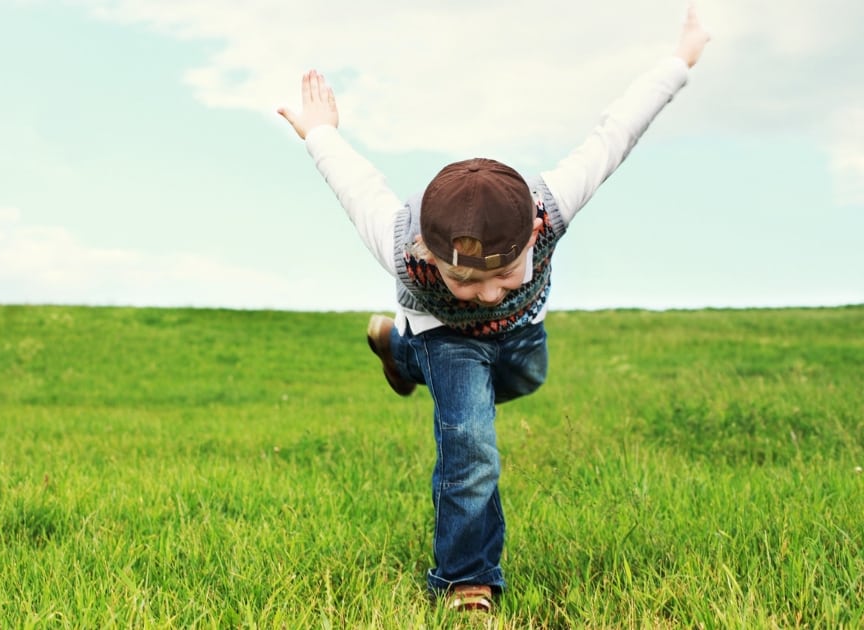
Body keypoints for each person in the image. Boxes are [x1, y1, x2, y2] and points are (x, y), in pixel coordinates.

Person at [277, 2, 711, 614]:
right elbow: (354, 180)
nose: (485, 295)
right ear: (431, 249)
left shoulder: (552, 205)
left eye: (505, 274)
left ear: (532, 237)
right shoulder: (397, 239)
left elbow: (617, 130)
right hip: (445, 339)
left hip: (522, 338)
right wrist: (319, 130)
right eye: (465, 280)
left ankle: (400, 357)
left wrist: (681, 58)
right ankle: (466, 579)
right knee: (471, 444)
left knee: (528, 378)